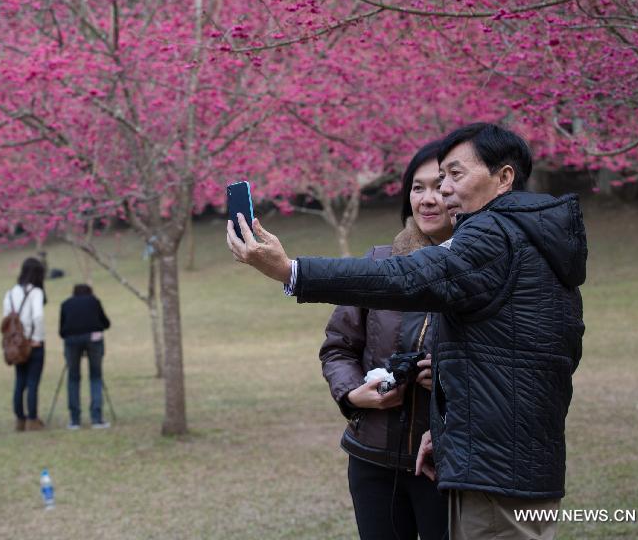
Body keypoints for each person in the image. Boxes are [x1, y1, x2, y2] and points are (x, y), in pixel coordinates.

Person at [228, 123, 586, 540]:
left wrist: (290, 271)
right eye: (429, 183)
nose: (442, 191)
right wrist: (452, 423)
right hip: (491, 460)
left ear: (504, 177)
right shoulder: (536, 239)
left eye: (454, 175)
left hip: (494, 472)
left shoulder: (495, 235)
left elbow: (405, 279)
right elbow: (551, 353)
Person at [320, 142, 450, 540]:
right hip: (371, 458)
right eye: (417, 187)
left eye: (441, 187)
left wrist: (446, 373)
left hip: (446, 463)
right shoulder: (378, 264)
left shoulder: (483, 271)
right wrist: (353, 394)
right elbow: (338, 346)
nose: (427, 199)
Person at [59, 284, 112, 429]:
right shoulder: (94, 301)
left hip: (71, 340)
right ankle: (97, 418)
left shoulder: (66, 304)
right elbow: (105, 323)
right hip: (94, 338)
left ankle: (74, 420)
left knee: (73, 377)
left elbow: (61, 330)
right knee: (95, 376)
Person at [4, 257, 47, 431]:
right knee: (32, 382)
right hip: (31, 343)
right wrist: (37, 337)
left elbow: (6, 319)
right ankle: (32, 419)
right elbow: (37, 316)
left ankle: (19, 419)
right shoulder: (35, 292)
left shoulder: (9, 293)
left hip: (16, 345)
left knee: (19, 381)